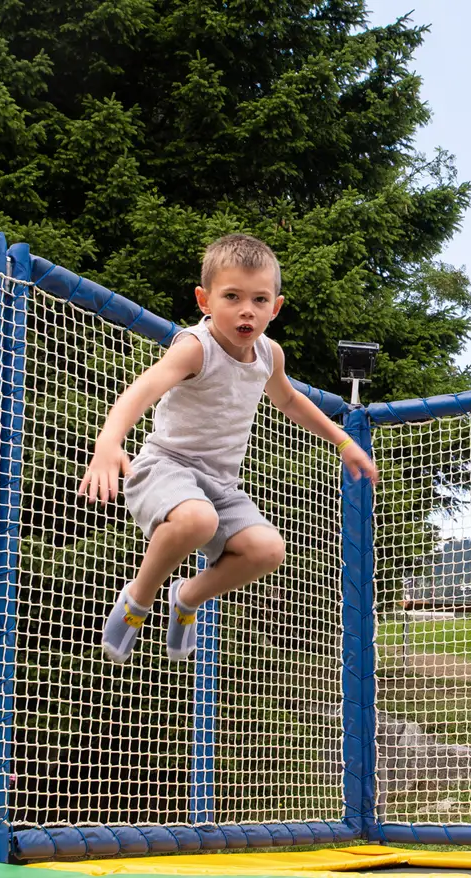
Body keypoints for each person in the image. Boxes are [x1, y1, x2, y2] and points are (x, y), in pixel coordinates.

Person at [79, 234, 379, 662]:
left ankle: (186, 597)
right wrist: (108, 443)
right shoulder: (194, 348)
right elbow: (143, 388)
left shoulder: (268, 355)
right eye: (232, 297)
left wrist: (344, 441)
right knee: (197, 520)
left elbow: (290, 400)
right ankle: (138, 600)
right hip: (166, 467)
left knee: (266, 550)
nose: (246, 310)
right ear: (205, 300)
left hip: (221, 484)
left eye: (259, 300)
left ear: (275, 307)